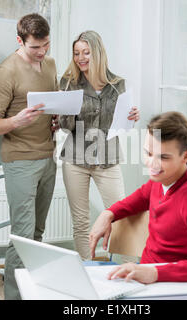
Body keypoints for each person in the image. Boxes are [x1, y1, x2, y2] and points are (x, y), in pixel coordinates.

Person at [89, 111, 187, 284]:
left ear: (186, 156)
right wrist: (108, 213)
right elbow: (140, 197)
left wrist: (155, 273)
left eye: (164, 157)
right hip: (143, 274)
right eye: (149, 153)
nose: (153, 164)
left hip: (167, 284)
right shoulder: (162, 178)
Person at [0, 13, 59, 300]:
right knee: (23, 237)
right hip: (20, 161)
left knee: (37, 235)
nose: (41, 53)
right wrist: (16, 122)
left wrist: (56, 120)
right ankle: (13, 297)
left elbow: (52, 104)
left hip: (47, 157)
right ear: (19, 40)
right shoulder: (6, 72)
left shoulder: (50, 64)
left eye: (46, 45)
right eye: (35, 48)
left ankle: (32, 293)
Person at [59, 30, 140, 261]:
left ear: (98, 53)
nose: (80, 58)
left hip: (108, 158)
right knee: (81, 221)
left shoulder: (117, 85)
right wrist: (67, 109)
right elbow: (65, 127)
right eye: (76, 53)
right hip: (75, 159)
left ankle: (122, 268)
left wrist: (133, 116)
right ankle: (87, 269)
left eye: (86, 52)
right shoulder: (68, 82)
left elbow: (122, 124)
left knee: (121, 216)